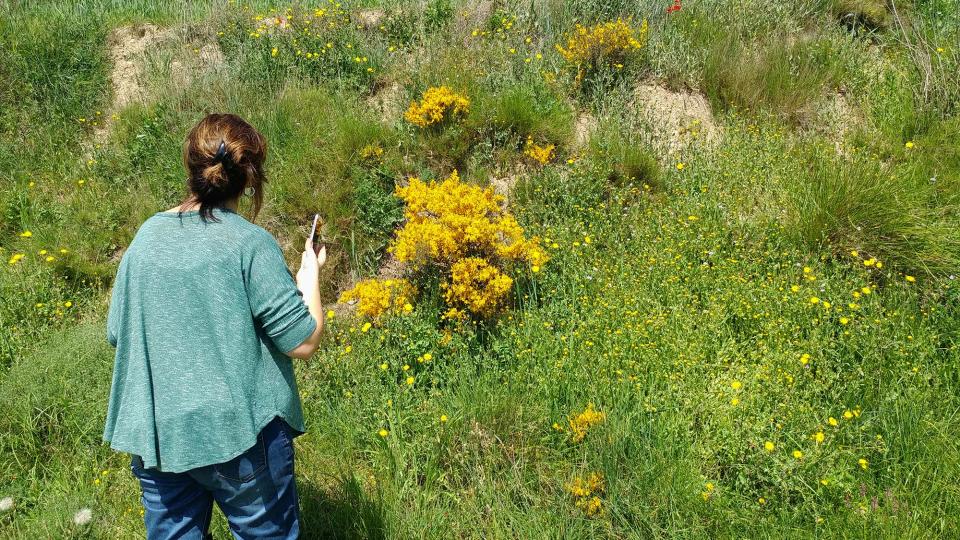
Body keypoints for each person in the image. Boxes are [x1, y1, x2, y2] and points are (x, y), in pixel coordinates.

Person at [103, 113, 326, 539]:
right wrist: (310, 274)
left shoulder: (146, 238)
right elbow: (303, 339)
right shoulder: (248, 243)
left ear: (191, 168)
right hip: (242, 434)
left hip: (160, 435)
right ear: (250, 179)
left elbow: (118, 333)